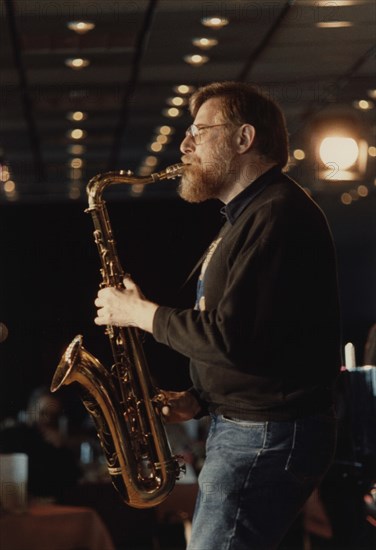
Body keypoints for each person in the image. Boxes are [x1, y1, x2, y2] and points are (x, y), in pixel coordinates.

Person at [94, 81, 342, 549]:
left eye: (199, 131)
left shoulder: (276, 216)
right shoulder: (252, 216)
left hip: (264, 437)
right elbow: (263, 342)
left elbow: (229, 337)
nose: (185, 145)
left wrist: (140, 313)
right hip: (255, 431)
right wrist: (200, 399)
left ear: (244, 139)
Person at [0, 386, 81, 501]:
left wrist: (61, 448)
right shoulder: (12, 436)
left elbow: (74, 478)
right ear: (30, 410)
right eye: (43, 413)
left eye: (53, 416)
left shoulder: (55, 440)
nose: (47, 419)